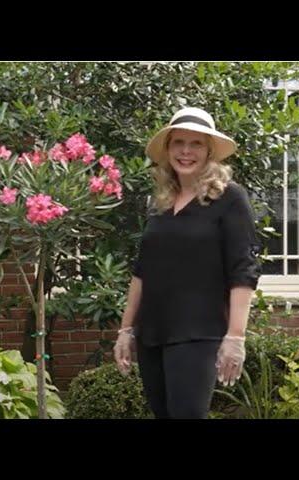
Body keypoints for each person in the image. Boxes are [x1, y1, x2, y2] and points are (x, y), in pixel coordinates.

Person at [114, 107, 262, 419]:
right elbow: (142, 270)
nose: (185, 151)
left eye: (196, 143)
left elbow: (243, 269)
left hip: (198, 331)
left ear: (210, 151)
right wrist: (126, 330)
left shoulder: (230, 198)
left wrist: (236, 337)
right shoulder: (161, 203)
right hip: (152, 332)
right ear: (167, 150)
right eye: (178, 142)